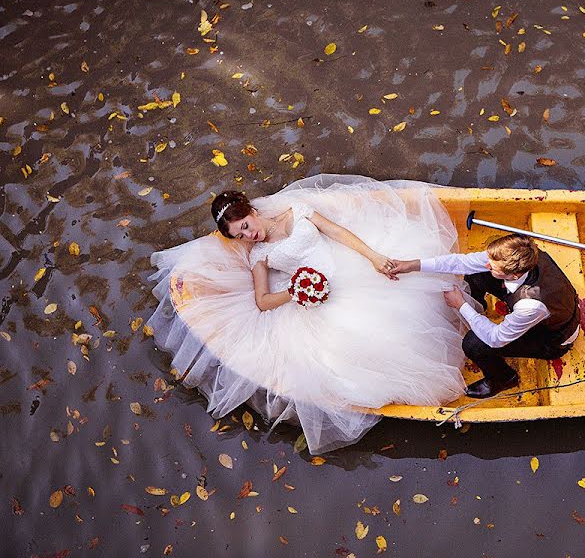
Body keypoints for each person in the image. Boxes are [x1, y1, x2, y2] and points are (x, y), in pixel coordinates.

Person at [147, 175, 467, 454]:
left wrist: (372, 257)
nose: (249, 236)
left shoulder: (297, 211)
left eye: (245, 226)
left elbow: (338, 233)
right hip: (315, 296)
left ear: (252, 211)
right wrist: (297, 290)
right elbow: (262, 301)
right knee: (359, 342)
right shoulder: (259, 255)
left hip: (346, 267)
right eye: (240, 236)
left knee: (407, 295)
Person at [389, 234, 581, 399]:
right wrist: (413, 265)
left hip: (551, 338)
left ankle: (503, 379)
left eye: (493, 266)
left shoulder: (531, 304)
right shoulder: (520, 256)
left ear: (514, 275)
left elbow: (496, 338)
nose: (488, 264)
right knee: (475, 273)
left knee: (475, 343)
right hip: (535, 307)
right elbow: (460, 262)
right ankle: (478, 311)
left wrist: (461, 305)